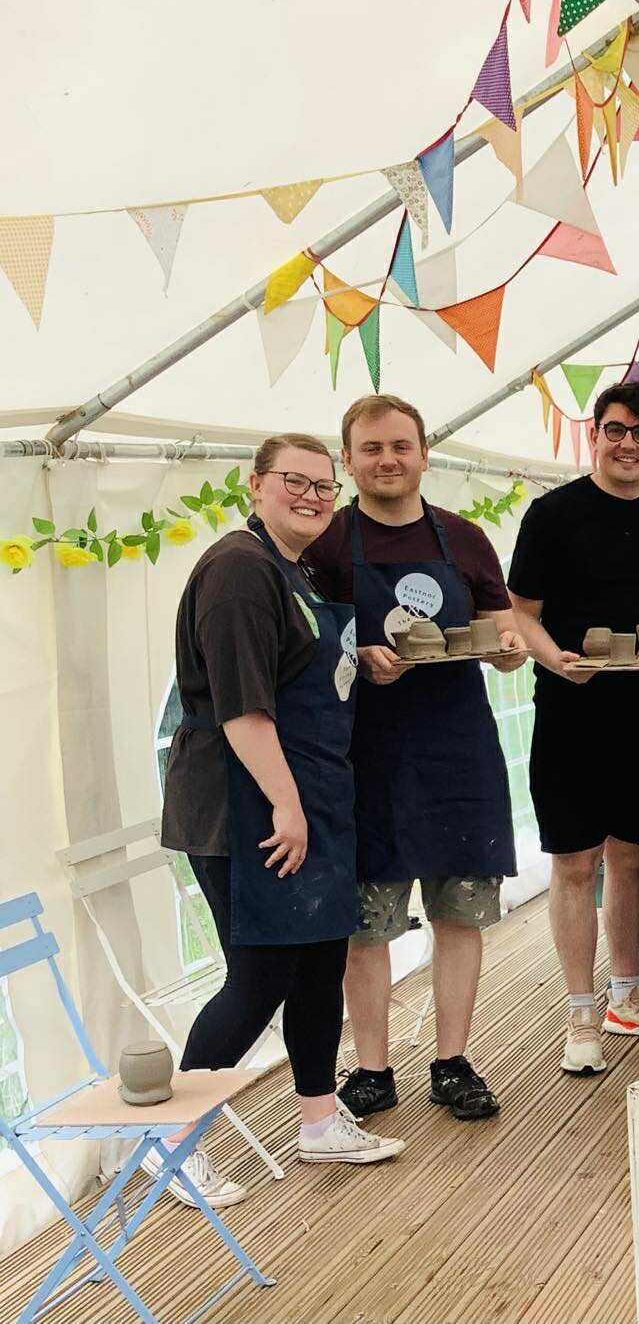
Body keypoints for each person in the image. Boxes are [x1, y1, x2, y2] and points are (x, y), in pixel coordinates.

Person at [159, 433, 405, 1208]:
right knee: (259, 976)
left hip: (310, 801)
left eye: (322, 487)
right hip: (250, 809)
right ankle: (172, 1145)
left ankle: (319, 1121)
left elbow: (296, 669)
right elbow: (242, 709)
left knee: (318, 968)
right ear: (255, 484)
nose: (310, 496)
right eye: (293, 482)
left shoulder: (290, 571)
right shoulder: (237, 571)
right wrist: (288, 805)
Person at [301, 394, 526, 1122]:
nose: (388, 459)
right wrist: (353, 656)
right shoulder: (327, 545)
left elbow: (501, 635)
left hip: (457, 752)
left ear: (425, 454)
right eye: (372, 448)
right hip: (362, 757)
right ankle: (372, 1068)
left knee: (460, 914)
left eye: (401, 445)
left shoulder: (463, 539)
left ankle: (453, 1061)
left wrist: (507, 647)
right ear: (349, 460)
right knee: (367, 926)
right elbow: (299, 653)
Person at [508, 381, 639, 1074]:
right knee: (576, 863)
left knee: (632, 858)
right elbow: (519, 611)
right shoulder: (553, 514)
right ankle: (580, 1009)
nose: (627, 443)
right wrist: (552, 658)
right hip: (570, 711)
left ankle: (626, 996)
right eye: (615, 430)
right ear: (595, 436)